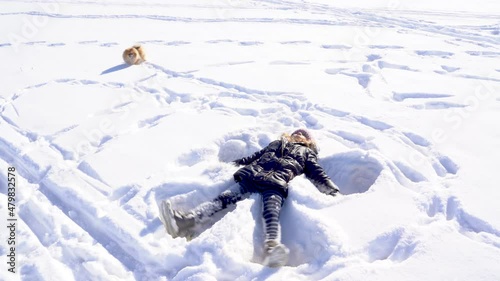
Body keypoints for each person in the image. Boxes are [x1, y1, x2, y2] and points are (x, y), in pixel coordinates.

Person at [159, 129, 340, 267]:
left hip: (275, 185)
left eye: (304, 134)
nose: (299, 133)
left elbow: (318, 174)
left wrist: (332, 191)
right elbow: (253, 157)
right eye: (296, 132)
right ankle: (186, 222)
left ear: (309, 142)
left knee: (271, 213)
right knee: (223, 198)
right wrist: (230, 165)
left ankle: (272, 248)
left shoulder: (307, 154)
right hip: (251, 177)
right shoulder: (277, 143)